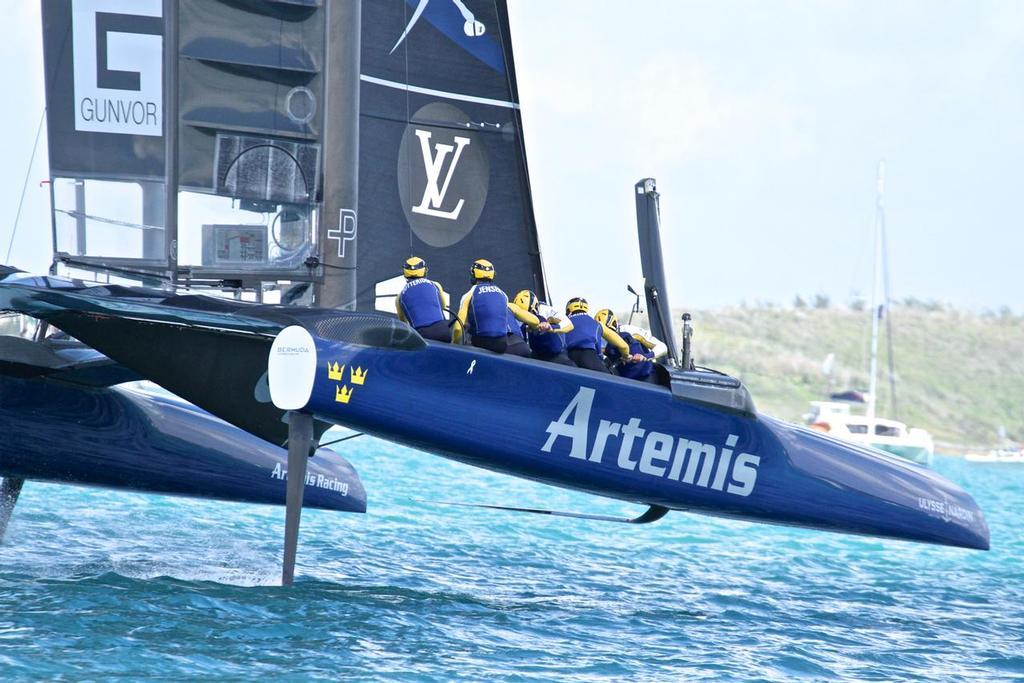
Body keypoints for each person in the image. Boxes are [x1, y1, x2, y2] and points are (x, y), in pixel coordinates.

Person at [453, 259, 542, 353]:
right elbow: (535, 321)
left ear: (473, 274)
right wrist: (535, 327)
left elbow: (458, 329)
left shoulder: (469, 295)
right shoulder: (503, 295)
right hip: (503, 344)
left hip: (482, 344)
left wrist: (454, 345)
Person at [563, 297, 635, 373]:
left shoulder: (563, 322)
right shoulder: (597, 324)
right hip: (589, 357)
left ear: (568, 310)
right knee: (609, 380)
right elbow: (624, 346)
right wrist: (625, 356)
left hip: (567, 358)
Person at [394, 256, 452, 342]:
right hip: (442, 329)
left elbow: (403, 323)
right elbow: (443, 306)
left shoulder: (400, 296)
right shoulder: (435, 284)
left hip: (422, 335)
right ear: (425, 270)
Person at [595, 308, 660, 382]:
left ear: (614, 323)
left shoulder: (631, 331)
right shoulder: (599, 340)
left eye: (607, 330)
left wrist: (645, 356)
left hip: (646, 377)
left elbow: (662, 347)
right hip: (626, 381)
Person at [513, 290, 576, 366]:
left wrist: (551, 327)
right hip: (536, 354)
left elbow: (569, 325)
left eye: (529, 313)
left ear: (535, 307)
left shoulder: (547, 310)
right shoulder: (517, 316)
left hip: (555, 353)